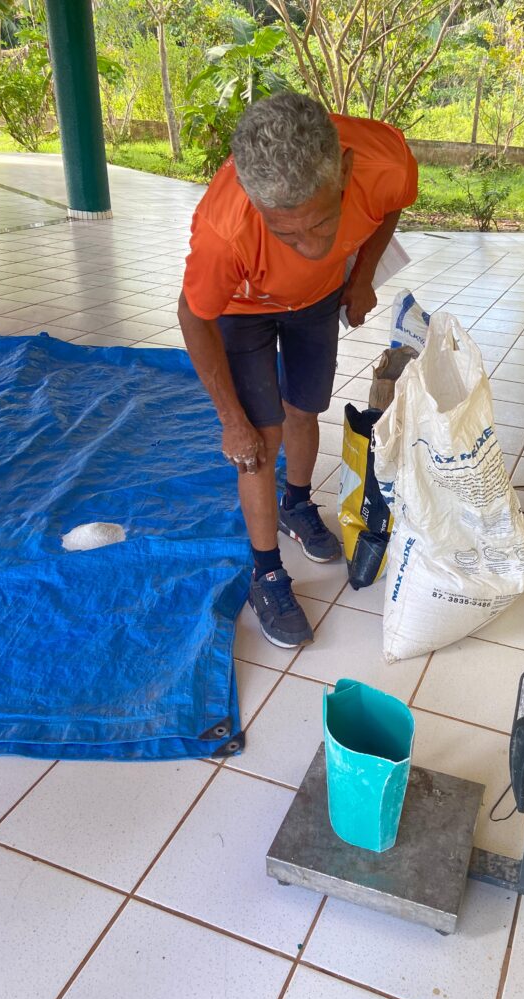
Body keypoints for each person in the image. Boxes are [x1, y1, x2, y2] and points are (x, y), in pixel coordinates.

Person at [178, 92, 418, 648]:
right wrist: (228, 417)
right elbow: (194, 316)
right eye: (287, 234)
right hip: (243, 313)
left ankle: (298, 502)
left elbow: (390, 206)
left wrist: (359, 279)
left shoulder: (383, 160)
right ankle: (266, 572)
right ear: (255, 204)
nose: (309, 246)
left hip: (317, 301)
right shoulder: (225, 228)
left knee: (305, 408)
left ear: (345, 173)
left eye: (322, 222)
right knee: (258, 440)